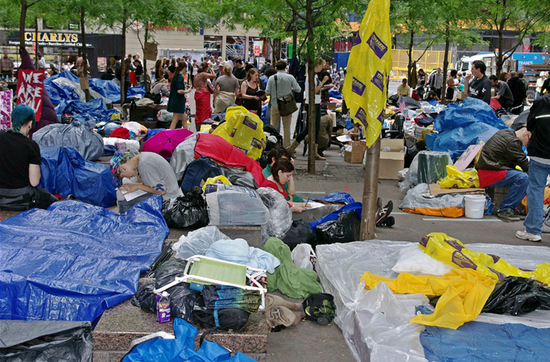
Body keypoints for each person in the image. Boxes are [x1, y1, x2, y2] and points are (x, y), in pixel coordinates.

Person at [0, 105, 57, 210]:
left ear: (12, 121)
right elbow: (34, 181)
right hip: (21, 197)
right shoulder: (31, 145)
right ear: (30, 123)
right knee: (47, 197)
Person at [475, 127, 530, 221]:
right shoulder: (512, 141)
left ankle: (511, 207)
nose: (527, 144)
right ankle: (506, 208)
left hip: (489, 170)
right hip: (490, 173)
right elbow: (524, 163)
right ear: (526, 135)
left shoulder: (505, 133)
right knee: (524, 178)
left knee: (522, 175)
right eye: (529, 140)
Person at [516, 94, 550, 242]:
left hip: (540, 153)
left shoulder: (542, 102)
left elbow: (530, 125)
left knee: (536, 190)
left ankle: (533, 231)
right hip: (540, 153)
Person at [110, 152, 183, 214]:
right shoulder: (142, 157)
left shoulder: (144, 164)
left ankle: (126, 222)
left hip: (168, 199)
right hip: (169, 193)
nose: (128, 177)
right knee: (125, 191)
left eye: (123, 175)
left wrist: (137, 186)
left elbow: (161, 191)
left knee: (124, 199)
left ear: (123, 168)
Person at [285, 59, 329, 160]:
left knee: (316, 127)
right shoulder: (311, 76)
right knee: (310, 128)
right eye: (321, 66)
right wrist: (323, 82)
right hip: (312, 104)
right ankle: (292, 147)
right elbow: (314, 90)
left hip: (316, 103)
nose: (322, 68)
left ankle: (314, 151)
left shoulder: (315, 76)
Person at [266, 60, 302, 148]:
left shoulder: (271, 78)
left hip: (275, 105)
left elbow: (267, 92)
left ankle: (274, 145)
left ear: (276, 68)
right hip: (286, 106)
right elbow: (298, 89)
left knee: (273, 126)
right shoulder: (290, 77)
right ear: (285, 67)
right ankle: (287, 146)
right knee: (286, 127)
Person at [167, 62, 191, 130]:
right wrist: (187, 91)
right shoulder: (180, 77)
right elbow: (179, 91)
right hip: (178, 102)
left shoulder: (176, 76)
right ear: (184, 68)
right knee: (175, 120)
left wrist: (184, 86)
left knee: (184, 118)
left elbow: (176, 87)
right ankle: (170, 134)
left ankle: (187, 133)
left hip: (175, 100)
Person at [193, 61, 216, 129]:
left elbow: (194, 86)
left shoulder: (196, 75)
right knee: (204, 112)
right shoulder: (203, 74)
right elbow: (214, 75)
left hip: (197, 94)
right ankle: (204, 127)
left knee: (198, 112)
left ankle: (197, 128)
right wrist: (210, 68)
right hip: (203, 95)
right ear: (205, 68)